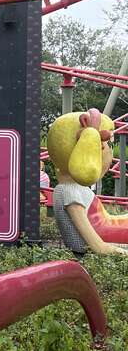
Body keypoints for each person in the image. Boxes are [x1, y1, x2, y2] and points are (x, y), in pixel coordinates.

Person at [47, 108, 128, 256]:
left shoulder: (68, 188)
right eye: (107, 145)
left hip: (108, 229)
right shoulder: (70, 191)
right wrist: (122, 254)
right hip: (99, 242)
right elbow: (98, 247)